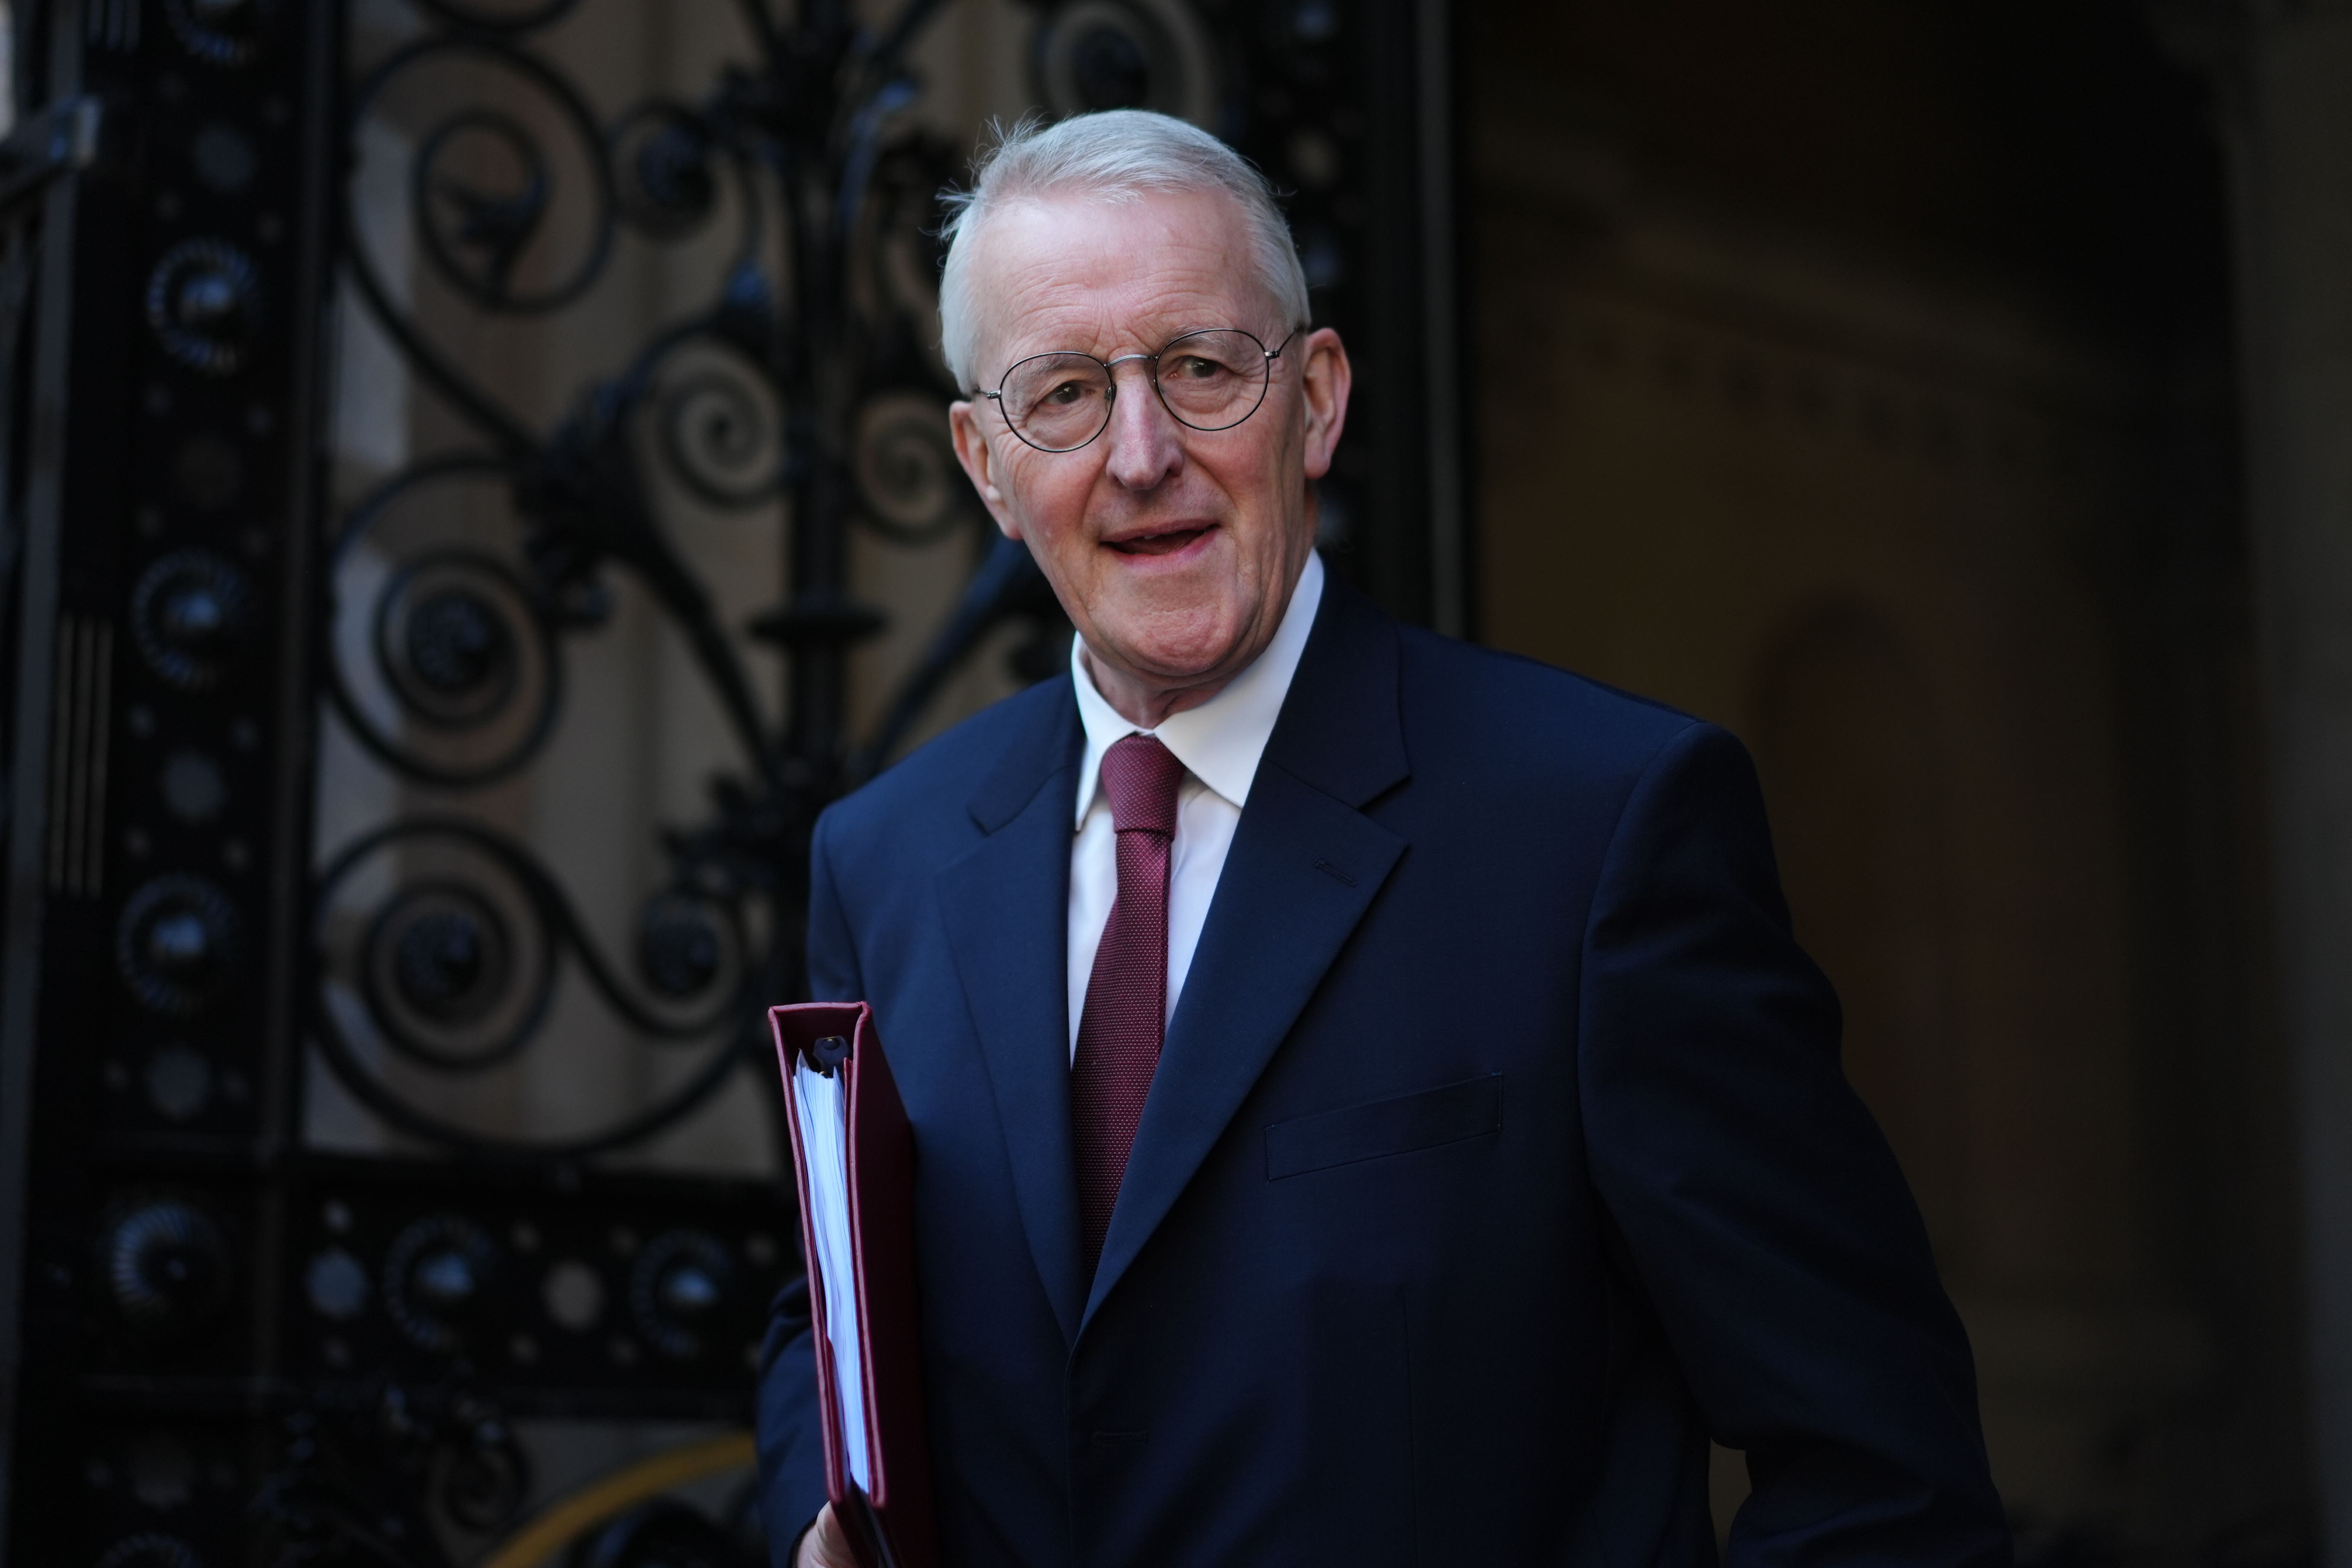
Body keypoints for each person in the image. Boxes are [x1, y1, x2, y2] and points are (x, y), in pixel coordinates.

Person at [757, 109, 2009, 1568]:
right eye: (1065, 395)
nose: (1142, 452)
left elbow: (1878, 1471)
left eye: (1202, 369)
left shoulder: (1602, 827)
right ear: (984, 461)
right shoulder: (886, 856)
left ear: (1319, 398)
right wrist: (813, 1523)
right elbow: (825, 1313)